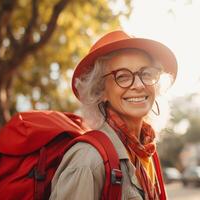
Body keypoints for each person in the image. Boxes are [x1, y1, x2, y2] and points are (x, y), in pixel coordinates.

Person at [49, 30, 178, 200]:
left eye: (146, 74)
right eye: (123, 76)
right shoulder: (88, 160)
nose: (139, 85)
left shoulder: (145, 150)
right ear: (100, 91)